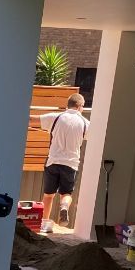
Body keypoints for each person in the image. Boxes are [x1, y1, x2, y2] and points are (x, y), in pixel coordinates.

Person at [37, 93, 89, 234]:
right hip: (71, 165)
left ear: (68, 105)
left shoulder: (56, 117)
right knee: (66, 193)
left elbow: (31, 120)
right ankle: (64, 207)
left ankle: (44, 223)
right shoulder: (85, 123)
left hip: (53, 161)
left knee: (48, 195)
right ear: (80, 107)